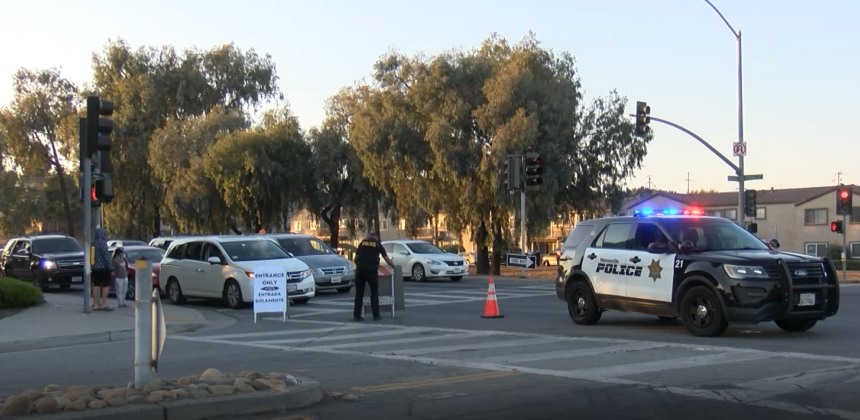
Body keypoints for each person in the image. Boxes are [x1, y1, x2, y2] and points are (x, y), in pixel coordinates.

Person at [352, 235, 394, 321]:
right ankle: (376, 315)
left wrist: (359, 265)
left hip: (361, 270)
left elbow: (355, 258)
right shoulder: (378, 244)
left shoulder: (362, 243)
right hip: (371, 271)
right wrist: (394, 266)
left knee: (359, 293)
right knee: (374, 293)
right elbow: (386, 258)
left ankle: (357, 315)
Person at [91, 227, 113, 311]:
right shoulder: (103, 243)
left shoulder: (92, 243)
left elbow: (91, 256)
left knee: (96, 285)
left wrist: (92, 265)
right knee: (105, 285)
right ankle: (103, 304)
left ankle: (95, 304)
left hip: (95, 268)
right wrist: (110, 268)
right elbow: (106, 257)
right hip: (104, 268)